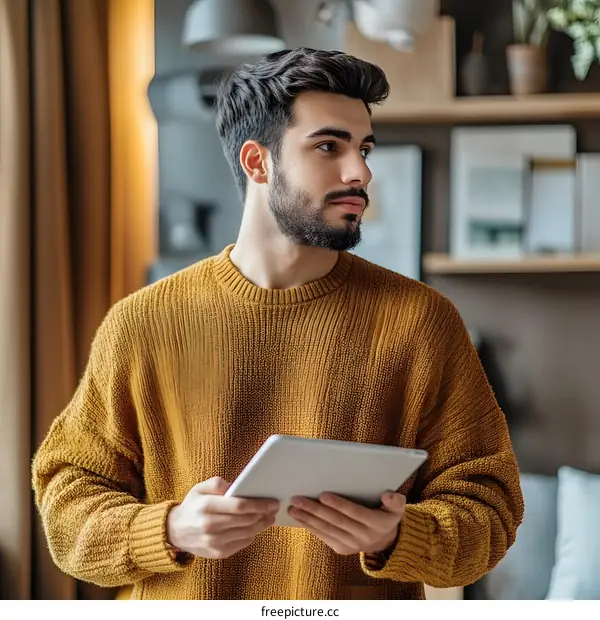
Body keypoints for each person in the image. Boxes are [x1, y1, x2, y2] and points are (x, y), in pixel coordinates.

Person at [31, 47, 524, 601]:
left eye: (364, 148)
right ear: (257, 161)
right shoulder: (142, 323)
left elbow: (492, 509)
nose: (359, 170)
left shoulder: (422, 322)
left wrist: (400, 535)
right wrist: (167, 529)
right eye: (328, 146)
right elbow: (66, 507)